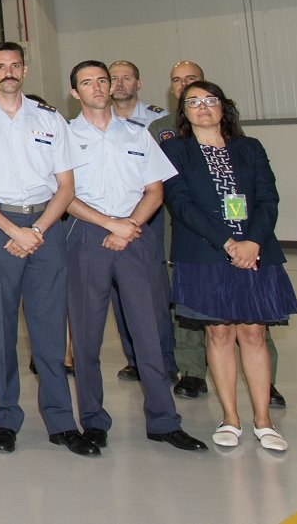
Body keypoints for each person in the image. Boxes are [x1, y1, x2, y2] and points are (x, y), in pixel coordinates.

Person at [0, 44, 99, 457]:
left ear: (25, 69)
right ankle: (5, 417)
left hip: (46, 228)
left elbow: (66, 187)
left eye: (15, 65)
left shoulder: (51, 119)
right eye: (0, 66)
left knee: (50, 330)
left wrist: (35, 229)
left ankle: (60, 420)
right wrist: (11, 230)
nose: (8, 72)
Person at [63, 62, 205, 451]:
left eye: (102, 80)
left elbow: (155, 191)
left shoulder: (139, 134)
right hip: (88, 238)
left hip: (135, 235)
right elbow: (64, 196)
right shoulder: (64, 136)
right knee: (87, 337)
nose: (97, 87)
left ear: (111, 86)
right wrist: (111, 224)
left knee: (150, 332)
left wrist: (128, 226)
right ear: (75, 93)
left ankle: (163, 420)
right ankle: (93, 420)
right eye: (86, 83)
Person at [161, 80, 297, 451]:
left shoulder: (249, 148)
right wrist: (227, 243)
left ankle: (264, 422)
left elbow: (268, 197)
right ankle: (230, 419)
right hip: (206, 254)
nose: (203, 107)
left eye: (210, 100)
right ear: (184, 111)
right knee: (219, 334)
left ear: (223, 107)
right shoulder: (175, 151)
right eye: (194, 102)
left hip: (256, 253)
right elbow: (182, 204)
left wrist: (251, 242)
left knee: (253, 335)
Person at [103, 59, 177, 385]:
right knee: (120, 293)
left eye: (126, 78)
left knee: (154, 291)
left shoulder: (159, 121)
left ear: (139, 83)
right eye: (113, 79)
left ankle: (164, 359)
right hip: (109, 218)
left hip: (150, 213)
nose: (119, 84)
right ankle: (135, 360)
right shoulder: (95, 122)